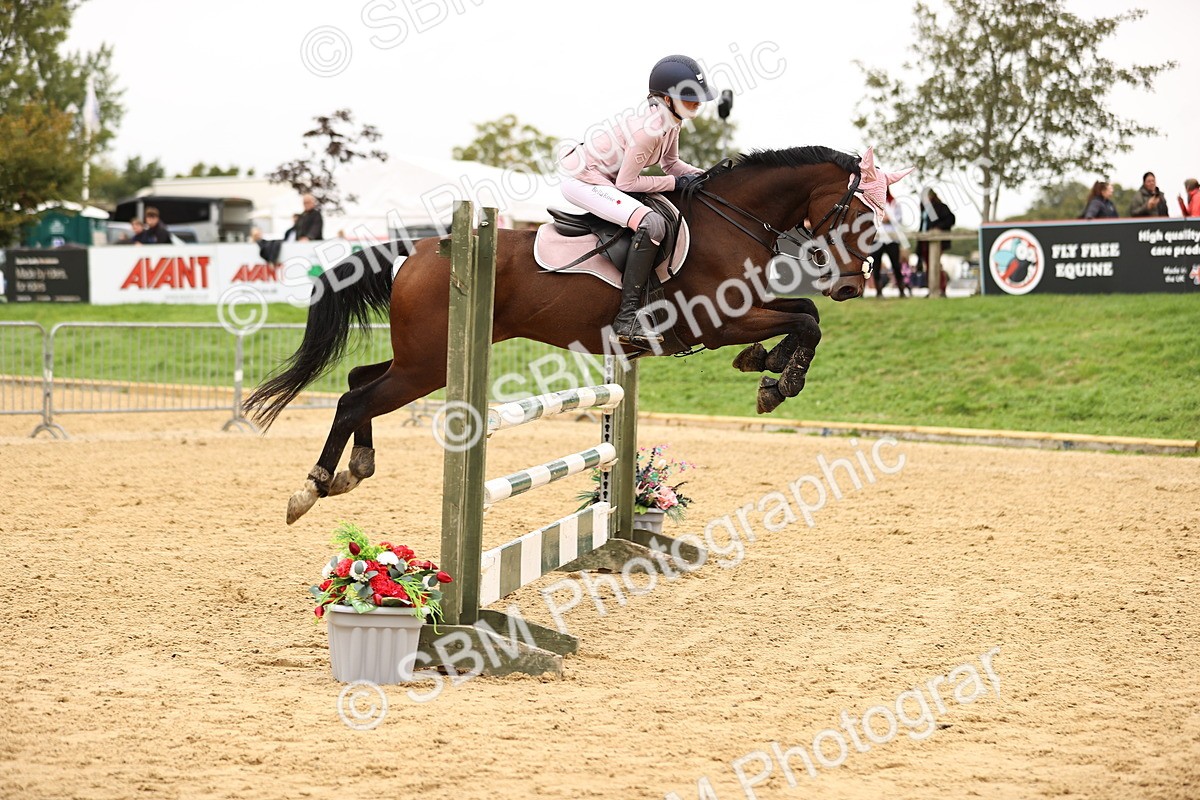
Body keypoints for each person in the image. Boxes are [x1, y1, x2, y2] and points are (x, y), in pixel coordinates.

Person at [558, 54, 713, 349]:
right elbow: (626, 184)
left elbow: (671, 164)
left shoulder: (672, 123)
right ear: (667, 99)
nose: (698, 103)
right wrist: (676, 184)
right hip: (582, 180)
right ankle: (627, 317)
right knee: (652, 223)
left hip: (605, 180)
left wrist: (708, 176)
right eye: (690, 97)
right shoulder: (648, 131)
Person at [916, 190, 955, 292]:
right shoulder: (924, 208)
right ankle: (932, 288)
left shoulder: (939, 207)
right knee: (928, 265)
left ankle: (940, 289)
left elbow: (950, 219)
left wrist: (938, 228)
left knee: (935, 264)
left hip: (936, 241)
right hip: (924, 240)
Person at [871, 189, 907, 297]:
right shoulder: (874, 203)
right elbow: (872, 218)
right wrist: (884, 218)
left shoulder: (894, 203)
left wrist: (887, 218)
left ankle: (901, 290)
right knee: (876, 265)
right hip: (878, 238)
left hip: (892, 238)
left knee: (896, 265)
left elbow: (898, 218)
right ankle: (878, 291)